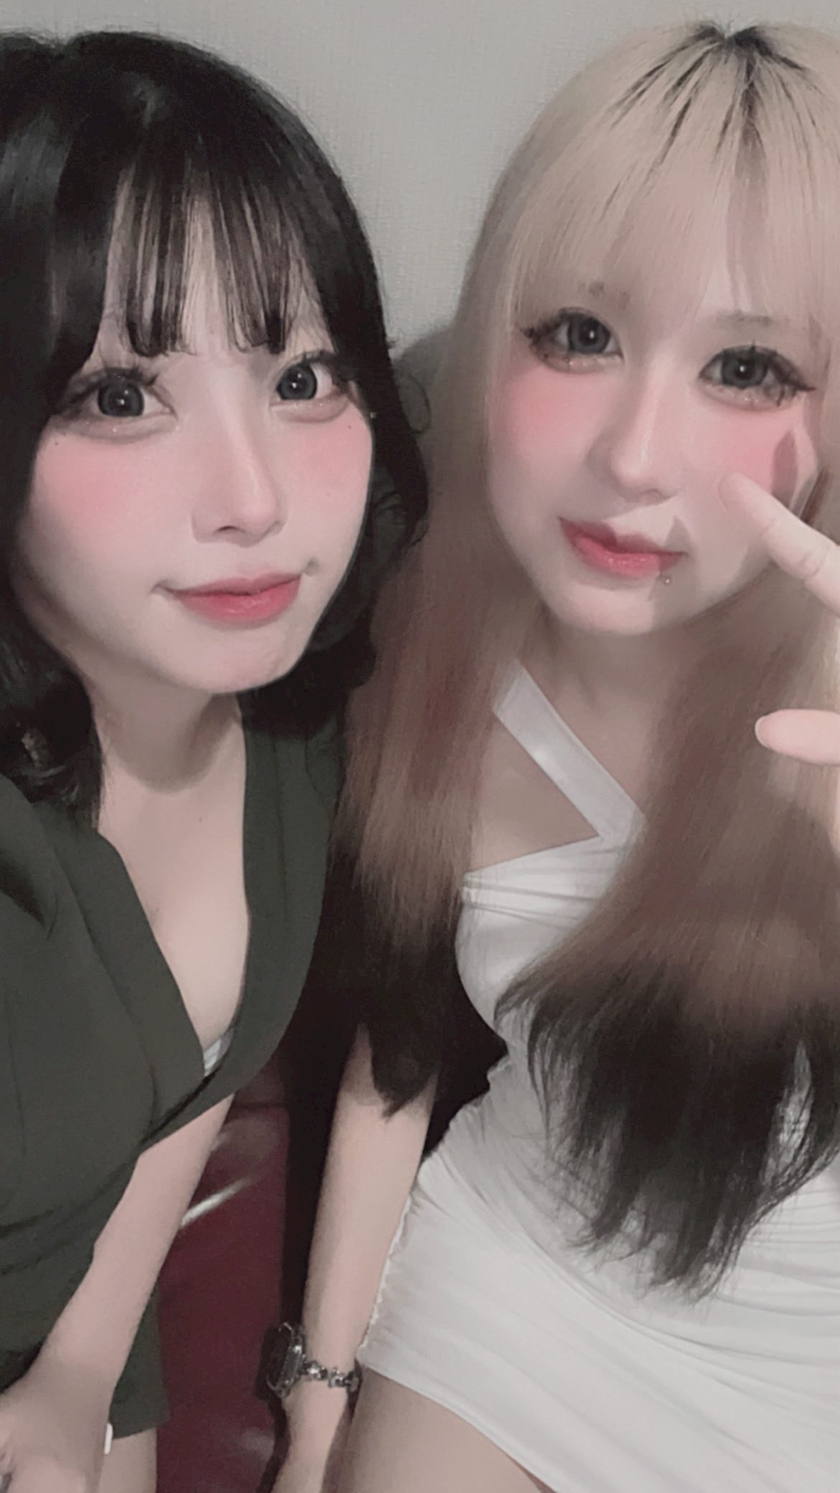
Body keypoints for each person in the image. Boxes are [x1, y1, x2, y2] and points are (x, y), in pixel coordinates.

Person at [275, 22, 840, 1493]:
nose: (637, 454)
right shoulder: (425, 646)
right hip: (517, 1293)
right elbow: (394, 1062)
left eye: (747, 366)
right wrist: (319, 1402)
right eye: (580, 335)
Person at [0, 28, 424, 1493]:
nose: (255, 499)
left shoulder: (295, 730)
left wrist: (74, 1379)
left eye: (304, 376)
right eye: (121, 395)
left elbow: (177, 1099)